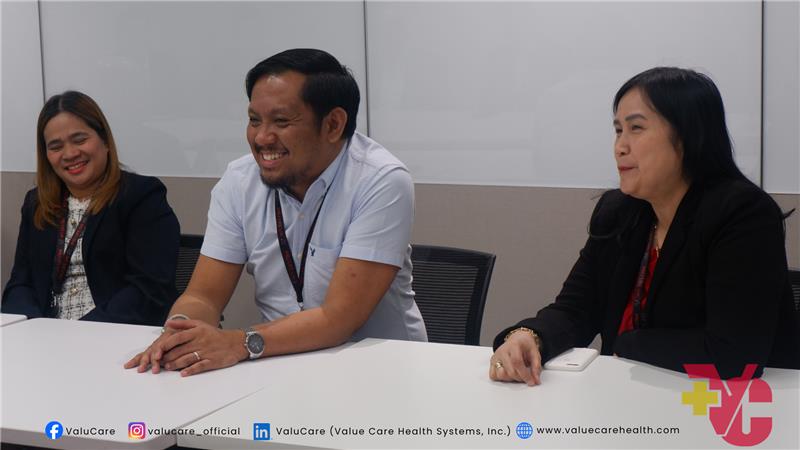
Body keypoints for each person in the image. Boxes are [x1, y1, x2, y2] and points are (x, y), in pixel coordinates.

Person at [125, 48, 427, 377]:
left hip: (381, 368)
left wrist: (239, 343)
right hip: (280, 362)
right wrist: (179, 331)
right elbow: (203, 296)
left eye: (281, 122)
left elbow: (338, 319)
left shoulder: (381, 180)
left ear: (333, 124)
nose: (261, 138)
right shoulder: (239, 181)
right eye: (254, 120)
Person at [490, 67, 799, 384]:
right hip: (635, 393)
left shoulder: (743, 214)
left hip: (735, 402)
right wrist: (529, 336)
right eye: (618, 130)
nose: (620, 146)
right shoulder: (619, 212)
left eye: (636, 128)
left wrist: (626, 344)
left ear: (687, 136)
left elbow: (733, 355)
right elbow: (576, 309)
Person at [2, 91, 180, 325]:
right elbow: (20, 284)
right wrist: (34, 328)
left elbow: (149, 289)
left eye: (79, 140)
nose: (70, 154)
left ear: (105, 141)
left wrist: (80, 332)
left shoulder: (141, 196)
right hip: (46, 336)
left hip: (115, 332)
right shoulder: (36, 203)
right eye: (56, 146)